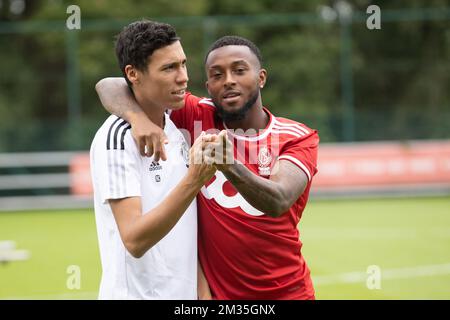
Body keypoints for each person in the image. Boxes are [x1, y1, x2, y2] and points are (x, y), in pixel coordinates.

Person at [96, 35, 319, 300]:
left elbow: (278, 199)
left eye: (239, 70)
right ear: (208, 86)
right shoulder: (195, 114)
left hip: (287, 294)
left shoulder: (295, 136)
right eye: (217, 74)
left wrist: (228, 164)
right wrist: (136, 117)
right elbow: (109, 85)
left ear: (261, 78)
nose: (228, 80)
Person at [90, 20, 215, 300]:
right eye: (169, 68)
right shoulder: (117, 138)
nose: (183, 77)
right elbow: (134, 239)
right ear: (133, 74)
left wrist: (202, 294)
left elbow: (183, 230)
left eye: (183, 64)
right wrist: (195, 179)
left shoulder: (173, 127)